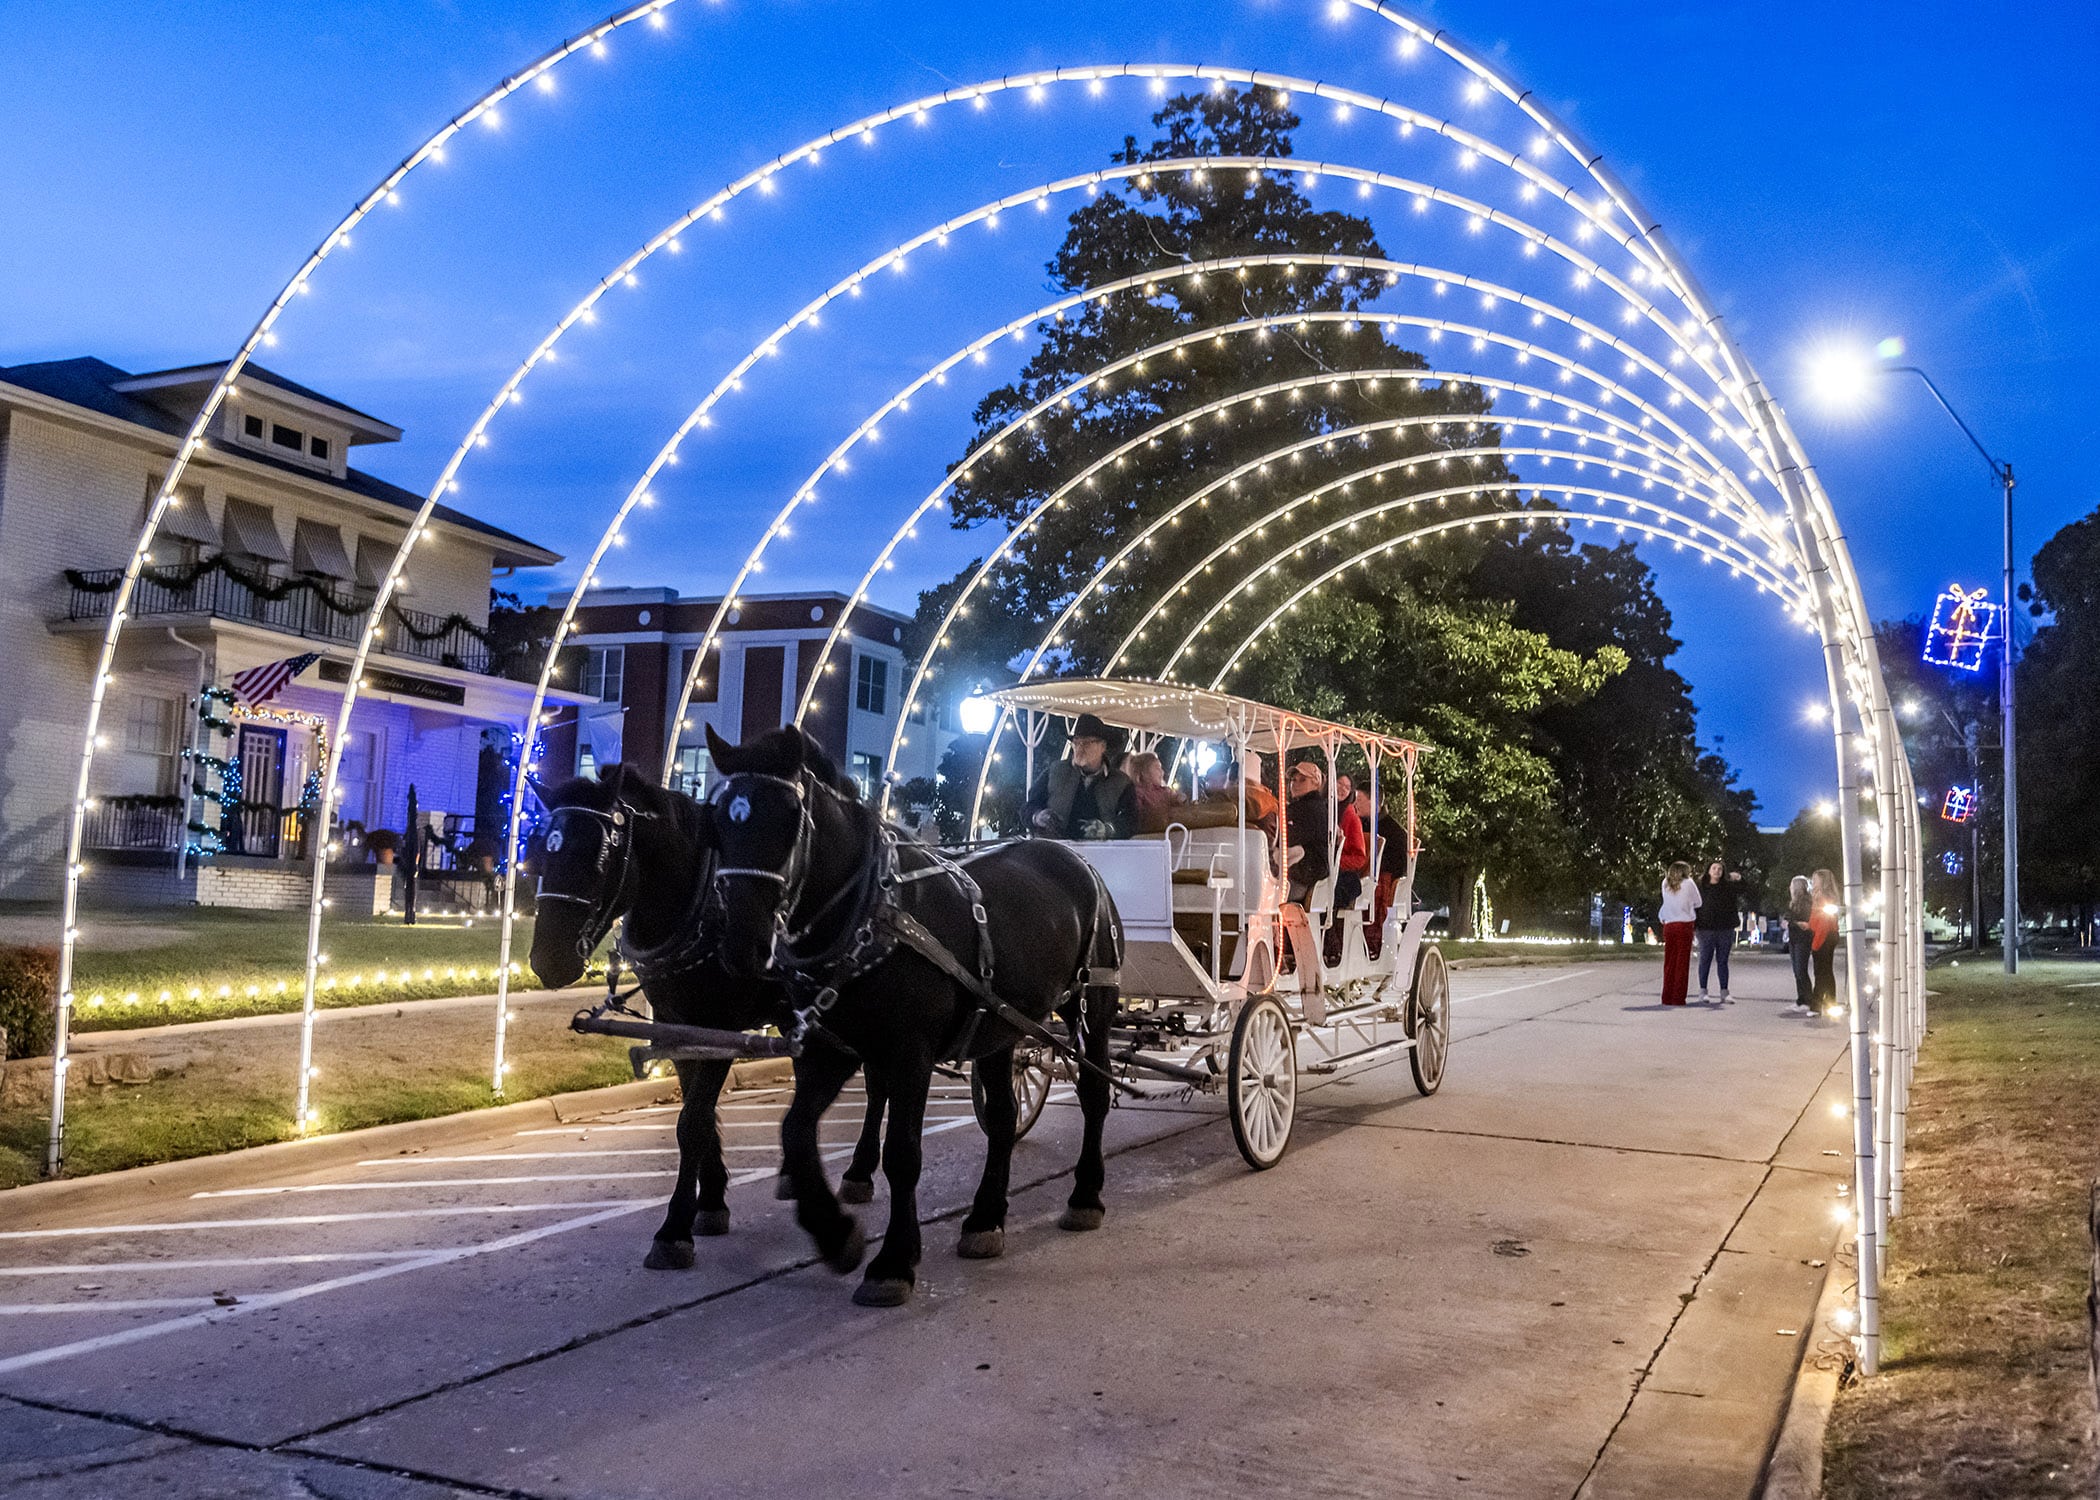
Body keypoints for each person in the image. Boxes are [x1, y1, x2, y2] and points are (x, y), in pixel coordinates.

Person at [1025, 714, 1135, 840]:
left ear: (1103, 746)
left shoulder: (1121, 782)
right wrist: (1038, 817)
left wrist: (1107, 830)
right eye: (1076, 743)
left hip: (1102, 855)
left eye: (1086, 743)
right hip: (1056, 852)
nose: (1079, 748)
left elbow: (1131, 821)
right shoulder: (1054, 772)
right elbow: (1028, 808)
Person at [1280, 759, 1332, 909]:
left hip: (1306, 874)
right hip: (1305, 870)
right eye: (1293, 780)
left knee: (1267, 895)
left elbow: (1289, 838)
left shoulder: (1309, 809)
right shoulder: (1305, 806)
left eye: (1302, 780)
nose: (1295, 784)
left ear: (1315, 783)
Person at [1694, 859, 1746, 1004]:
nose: (1717, 871)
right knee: (1705, 959)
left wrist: (1740, 878)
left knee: (1723, 961)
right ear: (1709, 870)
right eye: (1714, 868)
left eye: (1720, 869)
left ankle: (1724, 992)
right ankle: (1703, 991)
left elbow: (1743, 889)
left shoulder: (1728, 887)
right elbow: (1693, 905)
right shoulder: (1700, 887)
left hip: (1725, 928)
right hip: (1705, 929)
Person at [1658, 860, 1701, 1006]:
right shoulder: (1689, 883)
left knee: (1669, 962)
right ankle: (1678, 997)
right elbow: (1698, 902)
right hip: (1684, 924)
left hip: (1669, 924)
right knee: (1682, 963)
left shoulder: (1665, 883)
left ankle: (1666, 996)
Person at [1124, 749, 1185, 834]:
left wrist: (1180, 799)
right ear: (1144, 772)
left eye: (1161, 768)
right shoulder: (1136, 793)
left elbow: (1178, 802)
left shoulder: (1166, 792)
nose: (1162, 772)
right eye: (1157, 768)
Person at [1810, 867, 1841, 1012]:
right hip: (1828, 934)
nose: (1813, 882)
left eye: (1815, 879)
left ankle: (1816, 1005)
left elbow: (1823, 922)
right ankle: (1830, 1003)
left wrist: (1816, 943)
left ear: (1822, 881)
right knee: (1827, 971)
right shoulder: (1827, 897)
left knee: (1821, 971)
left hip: (1824, 936)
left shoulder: (1822, 898)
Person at [1784, 875, 1816, 1016]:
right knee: (1797, 971)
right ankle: (1801, 999)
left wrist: (1792, 922)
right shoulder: (1793, 903)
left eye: (1792, 885)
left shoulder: (1806, 902)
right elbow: (1789, 917)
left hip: (1802, 939)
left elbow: (1804, 923)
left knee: (1801, 969)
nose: (1790, 888)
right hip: (1794, 938)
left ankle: (1807, 1000)